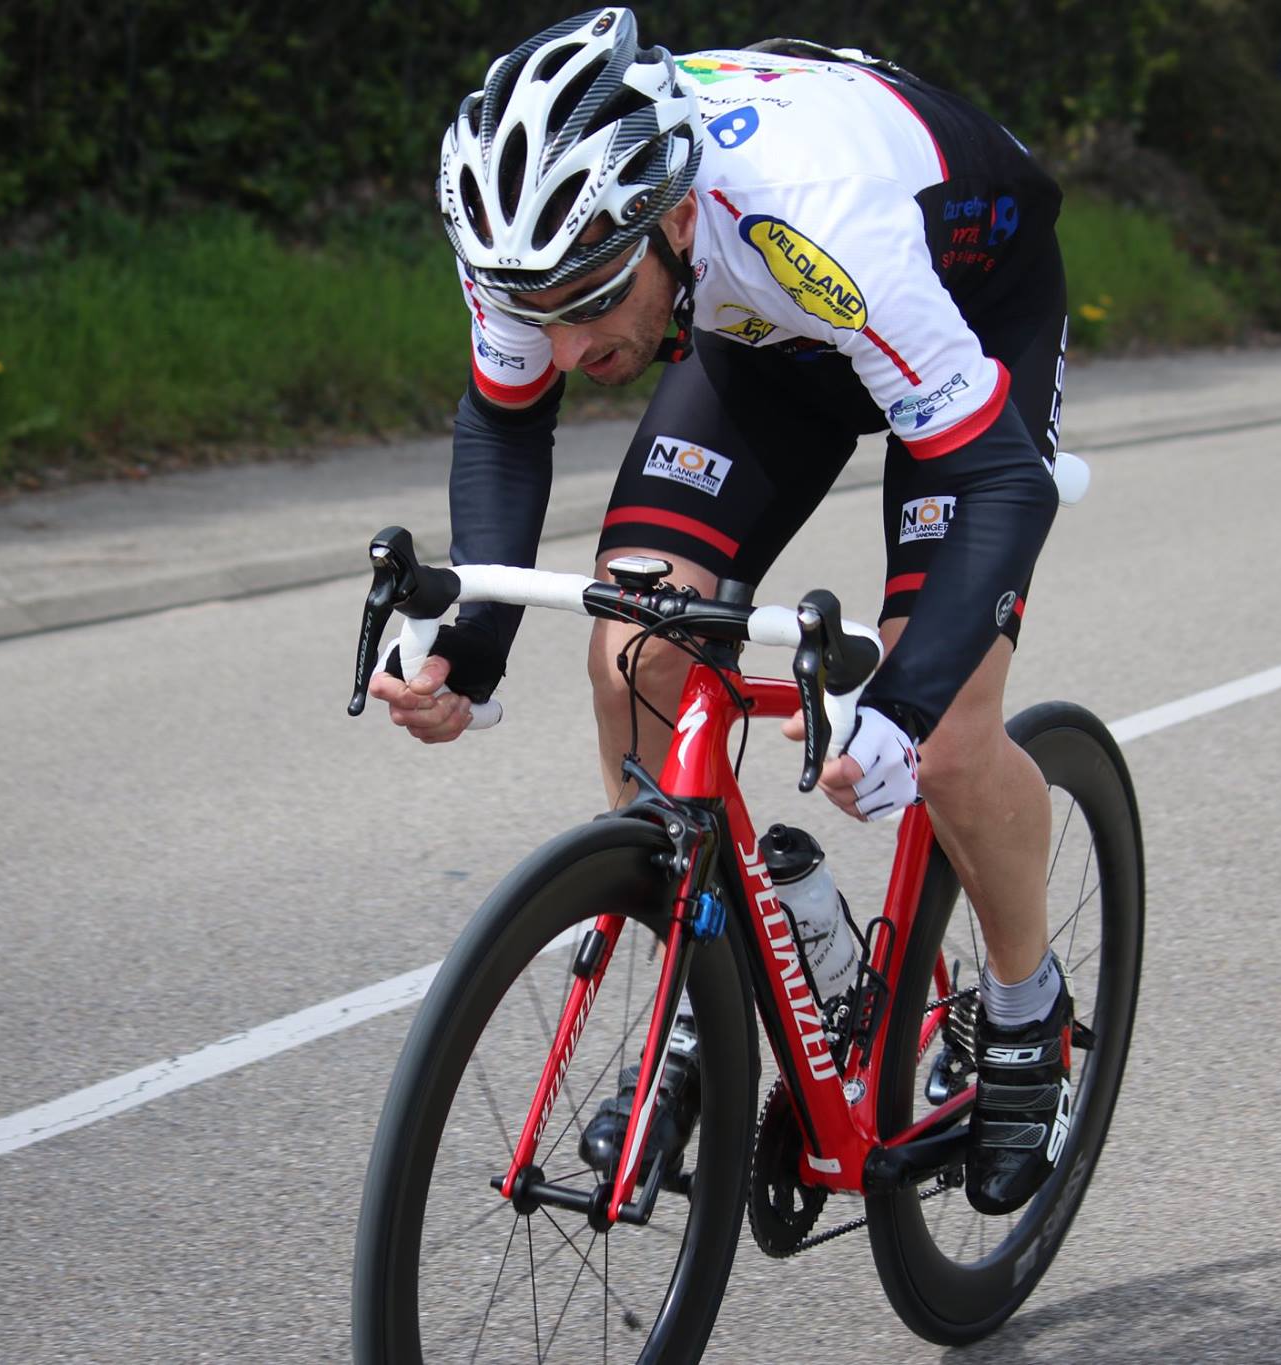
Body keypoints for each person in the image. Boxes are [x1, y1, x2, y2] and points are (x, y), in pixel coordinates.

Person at [367, 7, 1071, 1216]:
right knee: (635, 649)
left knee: (947, 731)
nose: (572, 343)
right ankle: (725, 978)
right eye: (541, 311)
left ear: (676, 217)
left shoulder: (817, 212)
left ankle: (1023, 1011)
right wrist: (470, 650)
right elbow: (503, 419)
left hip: (953, 301)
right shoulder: (535, 242)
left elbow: (1000, 478)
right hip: (753, 329)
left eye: (592, 303)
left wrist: (894, 712)